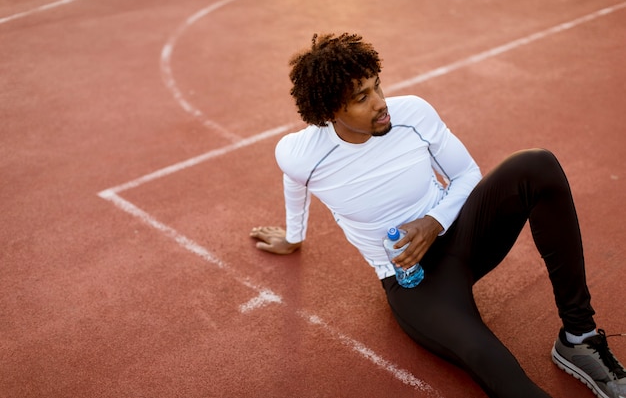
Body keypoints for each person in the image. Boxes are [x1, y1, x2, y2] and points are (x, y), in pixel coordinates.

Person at [249, 32, 625, 398]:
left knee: (536, 164)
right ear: (330, 111)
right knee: (488, 359)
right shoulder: (302, 154)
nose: (381, 103)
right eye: (362, 97)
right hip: (412, 278)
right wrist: (292, 237)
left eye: (377, 85)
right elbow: (294, 183)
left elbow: (466, 175)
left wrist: (433, 223)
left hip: (462, 232)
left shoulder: (413, 113)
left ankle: (580, 338)